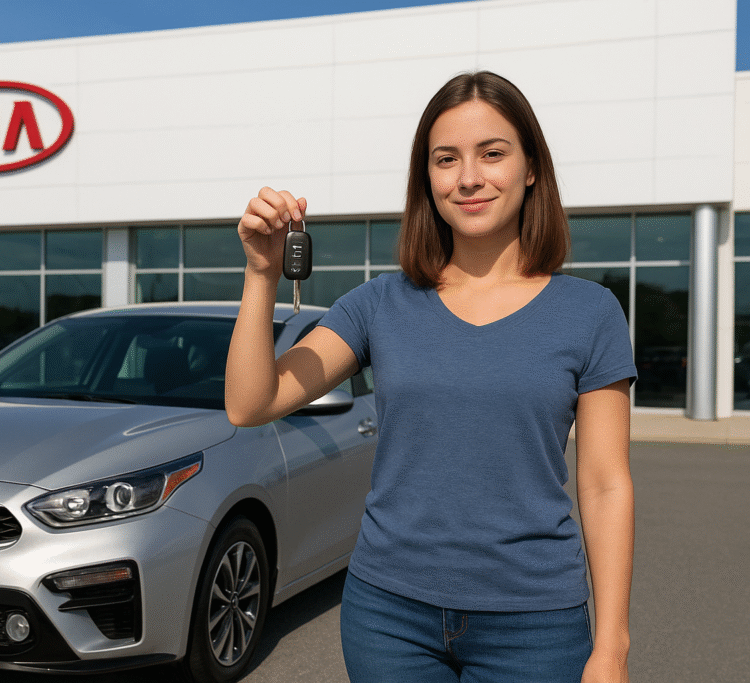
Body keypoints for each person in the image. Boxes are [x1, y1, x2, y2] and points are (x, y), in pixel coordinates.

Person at [225, 71, 636, 683]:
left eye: (492, 154)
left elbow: (604, 485)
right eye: (446, 159)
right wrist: (261, 272)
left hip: (535, 624)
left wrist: (612, 647)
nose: (468, 177)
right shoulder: (379, 305)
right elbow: (251, 402)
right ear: (427, 179)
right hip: (389, 618)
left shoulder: (590, 313)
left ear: (530, 168)